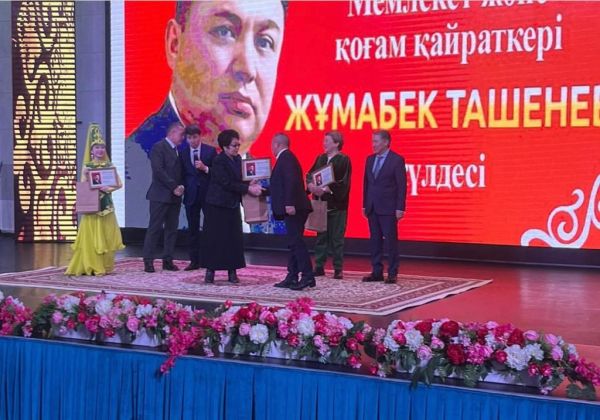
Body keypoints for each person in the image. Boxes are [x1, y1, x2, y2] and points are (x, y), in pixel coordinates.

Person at [125, 0, 288, 228]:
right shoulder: (131, 166)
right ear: (175, 44)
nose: (247, 68)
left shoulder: (267, 188)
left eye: (264, 42)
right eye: (224, 31)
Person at [201, 129, 263, 284]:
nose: (237, 148)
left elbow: (239, 180)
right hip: (217, 206)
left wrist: (250, 183)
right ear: (225, 147)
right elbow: (226, 183)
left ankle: (232, 272)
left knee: (233, 239)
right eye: (234, 145)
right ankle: (210, 271)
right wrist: (247, 189)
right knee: (215, 239)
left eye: (238, 145)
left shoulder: (237, 160)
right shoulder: (218, 161)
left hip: (232, 205)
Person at [65, 124, 124, 276]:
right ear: (91, 150)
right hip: (92, 208)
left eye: (102, 147)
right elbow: (84, 186)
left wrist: (108, 188)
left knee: (107, 236)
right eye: (97, 147)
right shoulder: (88, 167)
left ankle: (105, 265)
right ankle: (92, 265)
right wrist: (88, 178)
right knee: (92, 238)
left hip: (107, 207)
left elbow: (119, 184)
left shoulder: (109, 165)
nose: (100, 150)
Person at [268, 133, 315, 291]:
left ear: (277, 144)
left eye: (272, 145)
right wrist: (261, 190)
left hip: (295, 208)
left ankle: (308, 275)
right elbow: (279, 185)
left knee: (296, 242)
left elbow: (291, 182)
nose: (271, 148)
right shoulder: (286, 158)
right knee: (293, 243)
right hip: (295, 207)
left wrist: (289, 203)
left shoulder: (286, 158)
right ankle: (292, 275)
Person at [362, 130, 407, 284]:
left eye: (376, 141)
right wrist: (364, 204)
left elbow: (402, 186)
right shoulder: (369, 159)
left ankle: (392, 272)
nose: (373, 145)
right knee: (375, 241)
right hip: (372, 207)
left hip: (389, 208)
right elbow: (366, 184)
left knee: (390, 242)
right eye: (372, 141)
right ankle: (377, 272)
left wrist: (400, 207)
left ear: (386, 142)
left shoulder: (396, 160)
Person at [307, 131, 352, 280]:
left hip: (337, 206)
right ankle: (319, 266)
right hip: (321, 205)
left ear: (336, 143)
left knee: (337, 239)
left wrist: (328, 188)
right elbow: (310, 174)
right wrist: (311, 186)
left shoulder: (344, 160)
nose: (324, 143)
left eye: (327, 141)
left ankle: (338, 268)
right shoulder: (320, 158)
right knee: (321, 237)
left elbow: (344, 183)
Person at [142, 122, 186, 273]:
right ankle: (148, 261)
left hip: (175, 197)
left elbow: (180, 172)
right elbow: (158, 171)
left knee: (171, 229)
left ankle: (168, 260)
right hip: (160, 195)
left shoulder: (177, 150)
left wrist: (181, 186)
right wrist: (174, 186)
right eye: (181, 135)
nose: (183, 138)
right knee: (155, 228)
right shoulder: (159, 147)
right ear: (172, 133)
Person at [181, 124, 217, 271]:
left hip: (208, 195)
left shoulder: (210, 151)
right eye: (189, 138)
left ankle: (210, 259)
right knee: (192, 229)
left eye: (194, 137)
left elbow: (217, 173)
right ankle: (194, 261)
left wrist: (205, 168)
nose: (192, 140)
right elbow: (182, 174)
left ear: (200, 136)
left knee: (210, 227)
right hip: (191, 196)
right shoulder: (183, 153)